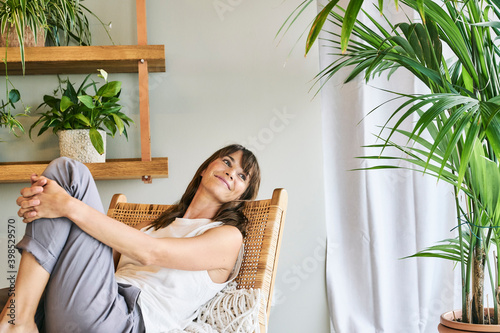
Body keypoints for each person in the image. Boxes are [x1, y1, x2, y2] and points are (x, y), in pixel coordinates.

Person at [0, 144, 261, 333]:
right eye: (227, 162)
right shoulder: (156, 224)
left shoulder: (227, 236)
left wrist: (67, 206)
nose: (231, 173)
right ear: (205, 169)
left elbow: (151, 253)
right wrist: (51, 208)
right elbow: (93, 253)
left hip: (122, 321)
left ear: (242, 195)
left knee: (69, 172)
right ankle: (17, 315)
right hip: (85, 303)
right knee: (13, 295)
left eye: (242, 176)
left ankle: (18, 319)